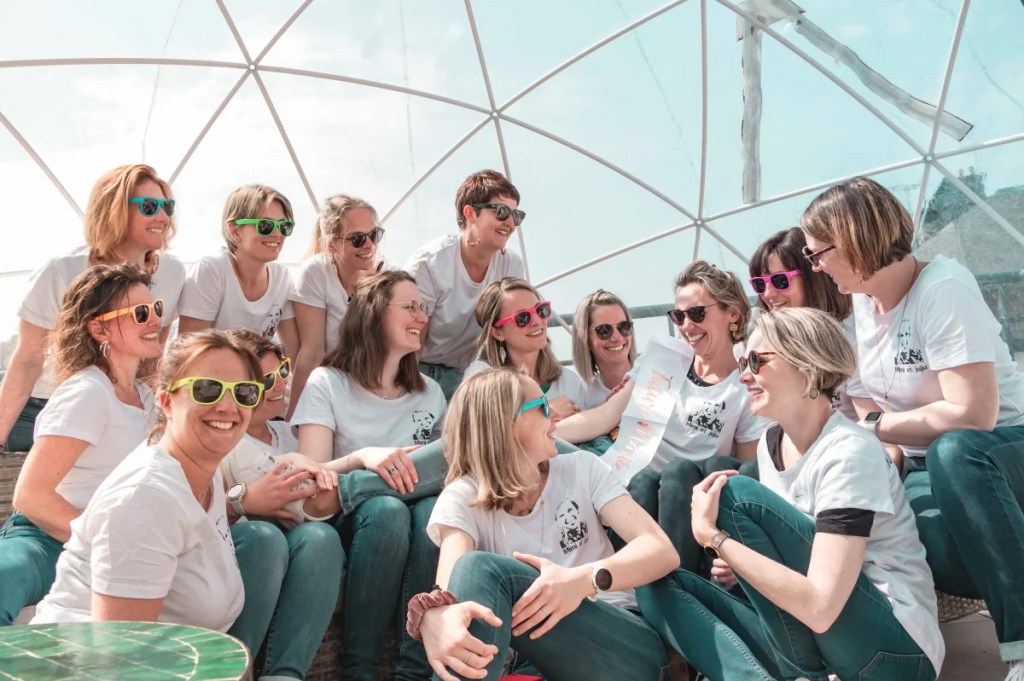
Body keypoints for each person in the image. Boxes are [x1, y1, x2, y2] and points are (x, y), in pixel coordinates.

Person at [639, 307, 943, 681]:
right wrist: (744, 565)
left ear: (808, 365)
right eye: (741, 362)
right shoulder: (771, 444)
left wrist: (713, 538)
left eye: (755, 360)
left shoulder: (849, 451)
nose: (743, 375)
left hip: (891, 653)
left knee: (735, 493)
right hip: (813, 645)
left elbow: (821, 605)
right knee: (657, 587)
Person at [800, 176, 1024, 680]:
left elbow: (973, 417)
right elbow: (864, 407)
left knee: (955, 452)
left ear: (854, 239)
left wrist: (877, 429)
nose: (815, 267)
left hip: (1001, 451)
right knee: (923, 533)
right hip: (928, 459)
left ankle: (1021, 648)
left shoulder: (942, 287)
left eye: (818, 254)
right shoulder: (863, 303)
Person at [31, 329, 342, 681]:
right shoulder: (146, 498)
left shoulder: (203, 474)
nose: (228, 406)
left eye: (244, 392)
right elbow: (119, 662)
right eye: (206, 389)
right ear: (166, 402)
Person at [410, 368, 679, 681]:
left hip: (620, 647)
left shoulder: (582, 468)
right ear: (506, 423)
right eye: (543, 407)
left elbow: (661, 550)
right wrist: (433, 616)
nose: (555, 418)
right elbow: (450, 592)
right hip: (531, 662)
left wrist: (581, 581)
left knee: (484, 569)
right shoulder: (464, 497)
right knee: (472, 573)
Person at [555, 261, 768, 573]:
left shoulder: (745, 386)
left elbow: (741, 472)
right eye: (678, 316)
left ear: (732, 313)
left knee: (677, 473)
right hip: (630, 484)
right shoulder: (662, 361)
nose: (686, 326)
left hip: (685, 499)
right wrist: (540, 431)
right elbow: (602, 418)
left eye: (697, 313)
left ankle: (669, 585)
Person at [292, 270, 446, 681]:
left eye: (423, 307)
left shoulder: (429, 392)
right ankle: (358, 668)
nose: (421, 316)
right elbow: (311, 482)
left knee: (433, 507)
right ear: (375, 314)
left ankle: (412, 669)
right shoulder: (328, 383)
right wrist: (363, 458)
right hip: (352, 523)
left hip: (417, 516)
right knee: (386, 508)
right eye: (410, 306)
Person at [0, 264, 162, 625]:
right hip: (44, 540)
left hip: (108, 548)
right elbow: (30, 496)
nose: (154, 321)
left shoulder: (147, 396)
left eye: (156, 309)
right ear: (99, 327)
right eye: (140, 313)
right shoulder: (88, 392)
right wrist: (105, 545)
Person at [0, 164, 186, 452]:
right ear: (114, 211)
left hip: (119, 410)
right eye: (149, 206)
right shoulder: (62, 272)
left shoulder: (172, 274)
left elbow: (153, 357)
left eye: (167, 206)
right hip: (44, 407)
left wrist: (148, 421)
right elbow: (27, 360)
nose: (163, 217)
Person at [405, 170, 525, 399]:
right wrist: (411, 393)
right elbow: (411, 334)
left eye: (516, 216)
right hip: (416, 368)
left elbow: (515, 331)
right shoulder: (430, 263)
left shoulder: (510, 265)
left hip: (469, 375)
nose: (510, 223)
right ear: (470, 213)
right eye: (501, 212)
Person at [748, 227, 859, 423]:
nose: (768, 293)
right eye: (759, 284)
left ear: (812, 278)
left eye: (780, 280)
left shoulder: (849, 343)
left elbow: (870, 422)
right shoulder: (761, 343)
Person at [289, 194, 386, 417]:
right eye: (358, 239)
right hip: (328, 384)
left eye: (374, 235)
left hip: (373, 385)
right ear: (332, 245)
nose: (370, 244)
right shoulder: (316, 273)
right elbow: (312, 353)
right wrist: (293, 420)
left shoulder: (389, 276)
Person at [178, 184, 299, 356]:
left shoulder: (282, 279)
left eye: (284, 226)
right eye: (265, 225)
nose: (277, 234)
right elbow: (188, 355)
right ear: (234, 230)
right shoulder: (211, 272)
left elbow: (293, 353)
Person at [464, 277, 585, 419]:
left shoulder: (569, 380)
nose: (537, 321)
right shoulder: (480, 377)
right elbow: (477, 434)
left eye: (541, 310)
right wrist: (546, 412)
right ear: (497, 332)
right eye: (522, 318)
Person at [572, 289, 637, 410]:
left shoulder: (656, 376)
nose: (617, 337)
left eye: (623, 327)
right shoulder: (582, 397)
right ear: (585, 339)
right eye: (604, 330)